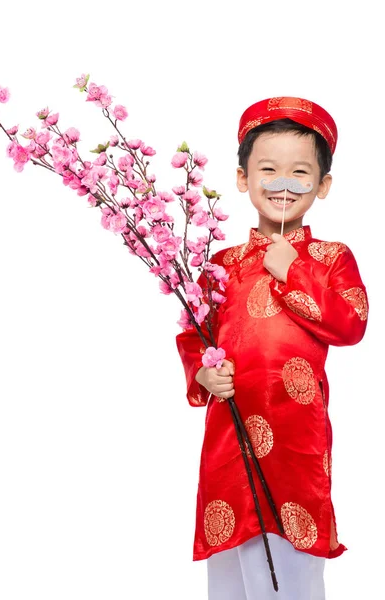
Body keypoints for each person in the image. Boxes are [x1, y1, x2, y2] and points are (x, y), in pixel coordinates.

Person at [175, 97, 369, 600]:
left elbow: (351, 324)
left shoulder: (331, 258)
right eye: (268, 169)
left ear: (322, 186)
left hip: (295, 433)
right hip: (230, 429)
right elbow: (196, 332)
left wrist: (293, 271)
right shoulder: (221, 263)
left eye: (300, 172)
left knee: (290, 564)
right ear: (243, 178)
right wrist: (201, 372)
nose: (283, 183)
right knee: (231, 567)